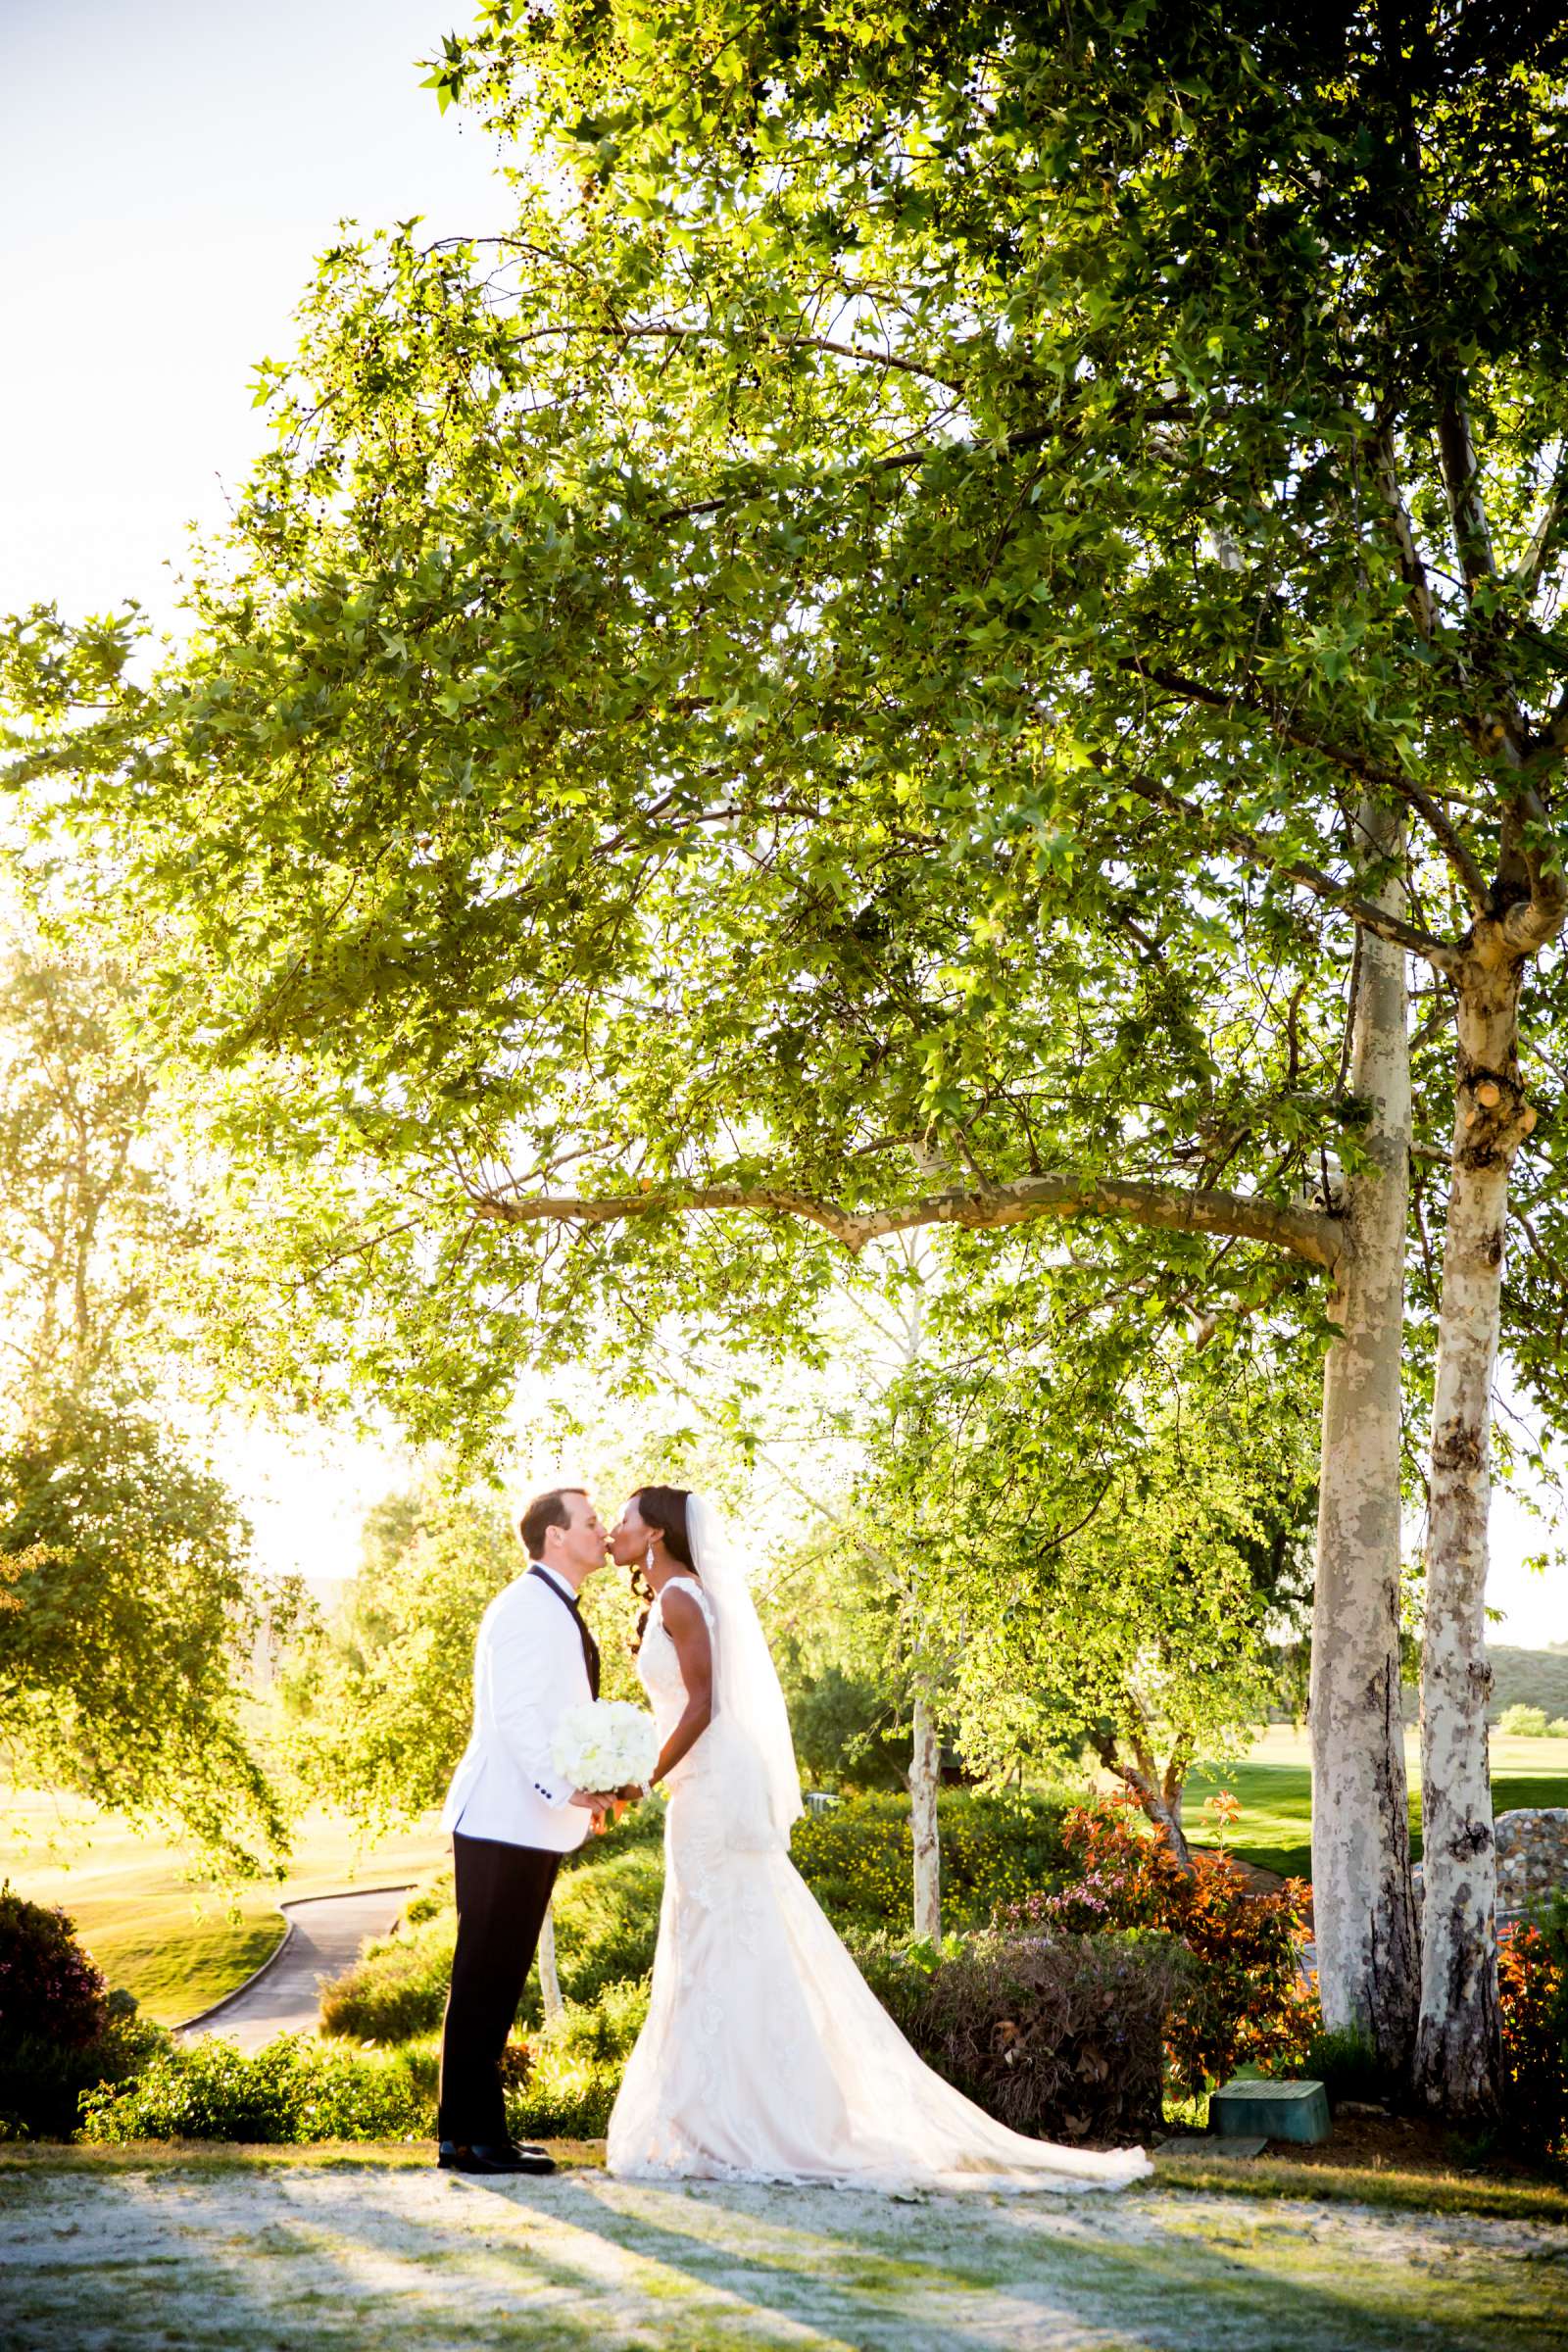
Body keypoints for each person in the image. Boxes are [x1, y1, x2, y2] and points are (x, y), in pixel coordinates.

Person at [603, 1486, 1150, 2194]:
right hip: (704, 1788)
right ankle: (719, 2113)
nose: (614, 1527)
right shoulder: (676, 1596)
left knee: (716, 1940)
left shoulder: (681, 1599)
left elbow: (703, 1705)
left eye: (623, 1517)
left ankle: (741, 2119)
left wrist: (643, 1776)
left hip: (709, 1789)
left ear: (656, 1533)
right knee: (718, 1942)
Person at [435, 1485, 612, 2176]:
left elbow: (561, 1717)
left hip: (532, 1824)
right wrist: (566, 1788)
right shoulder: (522, 1609)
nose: (601, 1531)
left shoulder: (551, 1607)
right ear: (554, 1536)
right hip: (501, 1819)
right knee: (482, 1976)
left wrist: (584, 1793)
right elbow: (516, 1720)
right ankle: (466, 2142)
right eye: (591, 1522)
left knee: (499, 1981)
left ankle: (480, 2137)